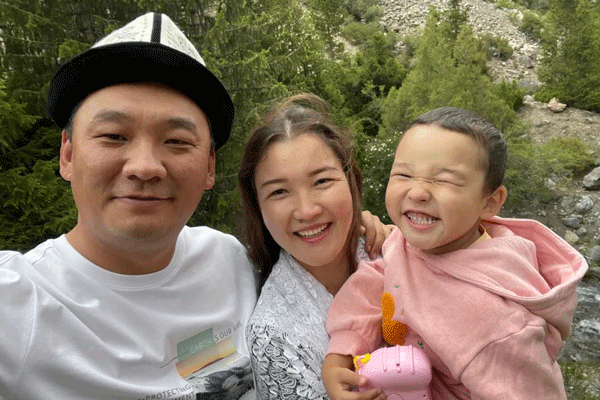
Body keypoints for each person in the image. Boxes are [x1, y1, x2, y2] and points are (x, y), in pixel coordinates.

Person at [0, 13, 258, 400]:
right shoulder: (17, 305)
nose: (145, 167)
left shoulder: (231, 261)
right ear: (67, 155)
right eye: (113, 135)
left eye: (176, 141)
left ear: (209, 166)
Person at [321, 107, 589, 400]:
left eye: (444, 180)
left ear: (490, 202)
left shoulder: (496, 322)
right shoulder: (415, 242)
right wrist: (340, 356)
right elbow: (379, 279)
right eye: (404, 174)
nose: (417, 192)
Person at [238, 93, 391, 399]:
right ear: (258, 208)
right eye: (279, 192)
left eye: (321, 182)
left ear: (351, 180)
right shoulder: (273, 336)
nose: (306, 211)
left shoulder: (395, 249)